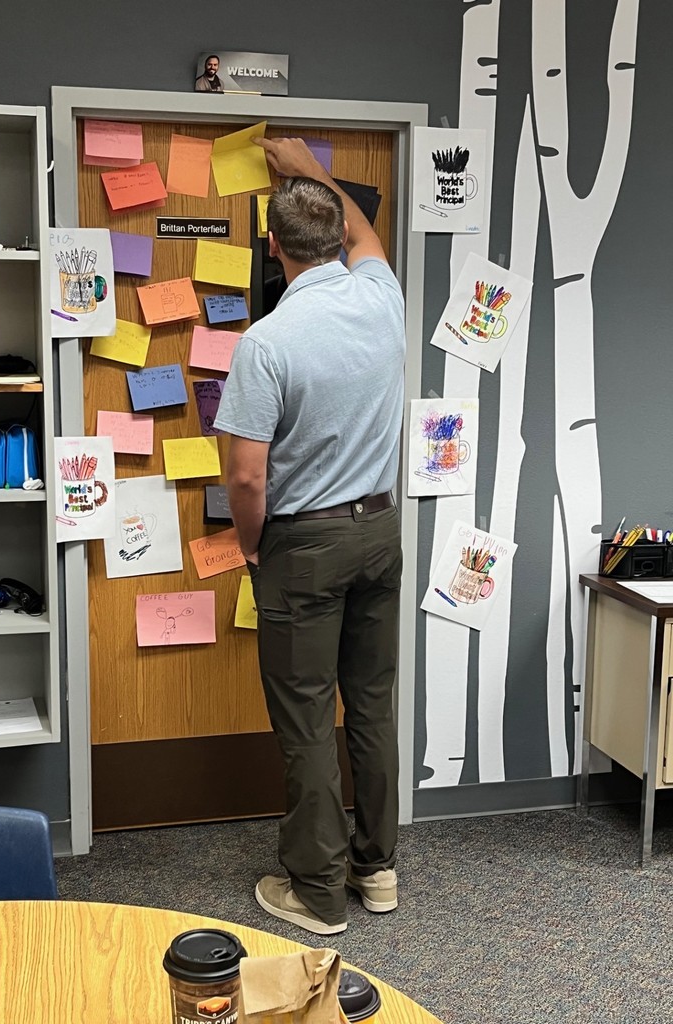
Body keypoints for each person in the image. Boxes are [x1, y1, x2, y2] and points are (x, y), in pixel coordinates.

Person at [214, 137, 406, 936]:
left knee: (304, 719)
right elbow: (366, 235)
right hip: (382, 531)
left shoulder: (266, 342)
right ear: (336, 239)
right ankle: (378, 868)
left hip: (305, 544)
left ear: (271, 247)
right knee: (370, 705)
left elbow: (247, 479)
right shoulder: (381, 294)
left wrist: (253, 546)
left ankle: (319, 894)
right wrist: (310, 174)